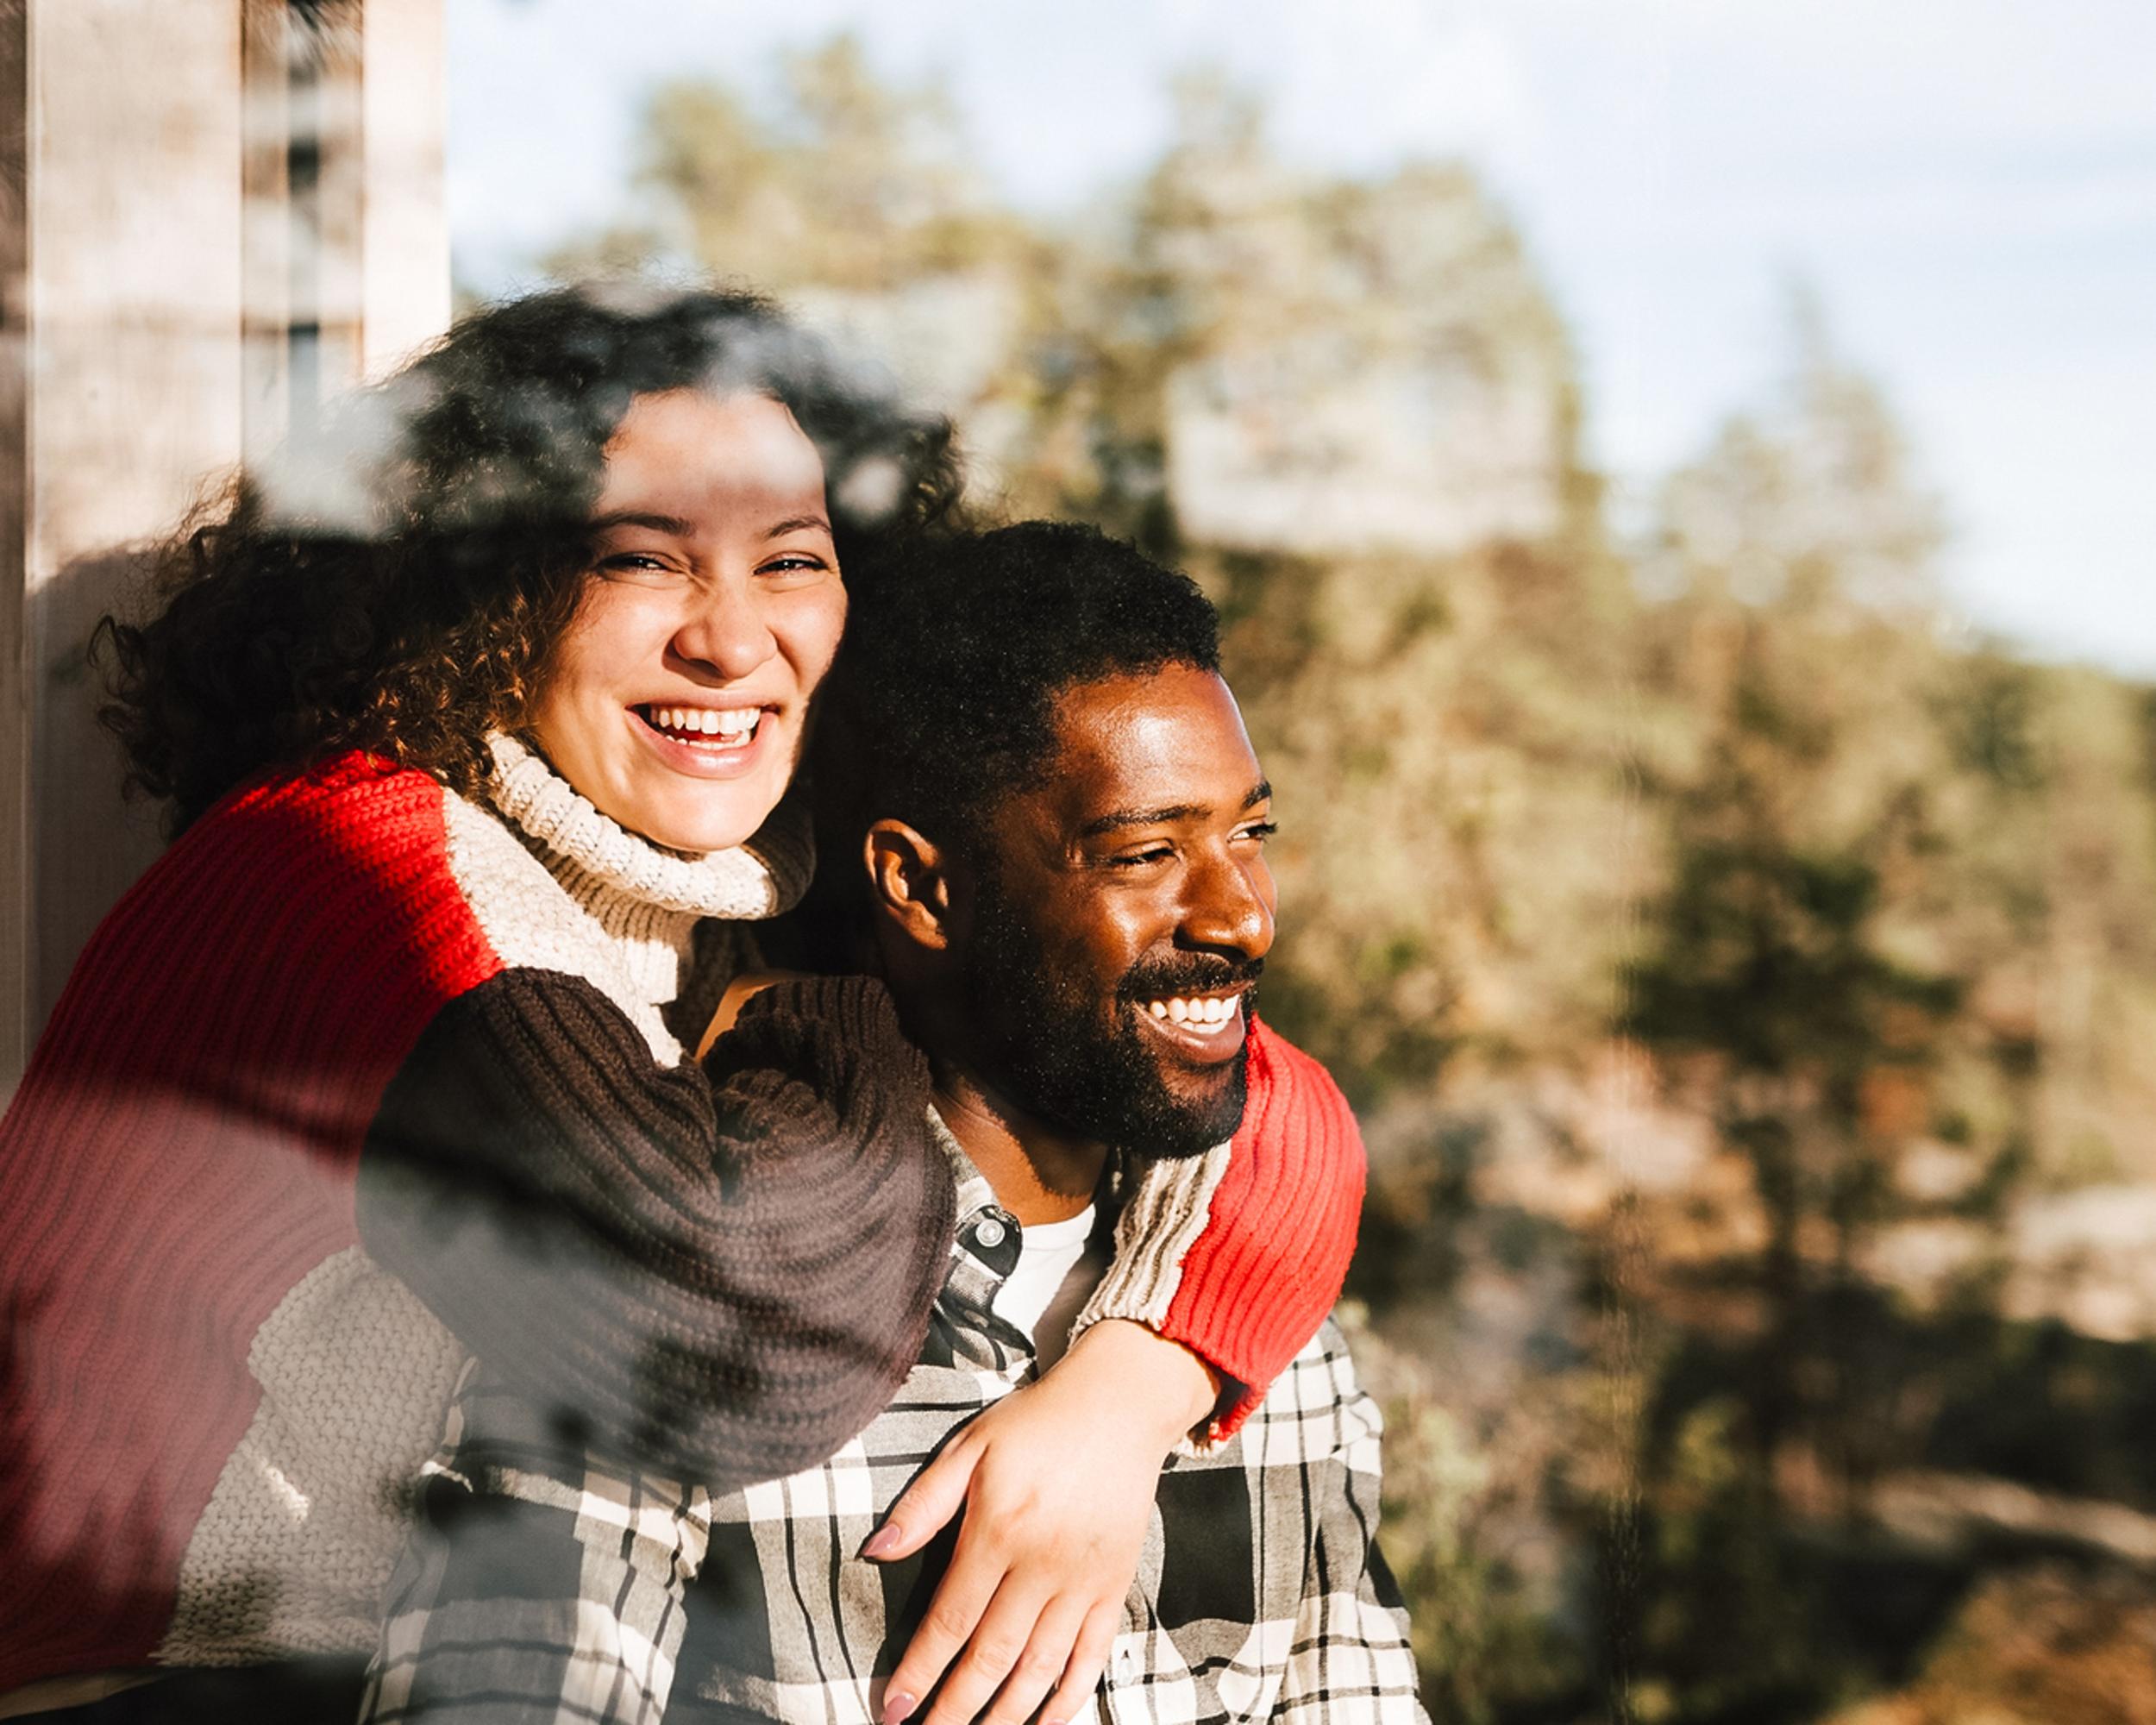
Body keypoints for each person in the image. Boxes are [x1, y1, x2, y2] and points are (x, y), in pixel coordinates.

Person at [0, 289, 1364, 1720]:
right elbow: (727, 1342)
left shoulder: (709, 881)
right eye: (643, 561)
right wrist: (832, 1008)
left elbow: (1255, 1098)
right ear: (479, 591)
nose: (731, 639)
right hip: (167, 1685)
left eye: (792, 561)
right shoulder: (353, 869)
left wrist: (1130, 1394)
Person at [363, 523, 1425, 1725]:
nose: (1243, 916)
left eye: (1251, 835)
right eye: (1144, 854)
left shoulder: (1265, 1339)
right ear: (919, 885)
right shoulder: (663, 1309)